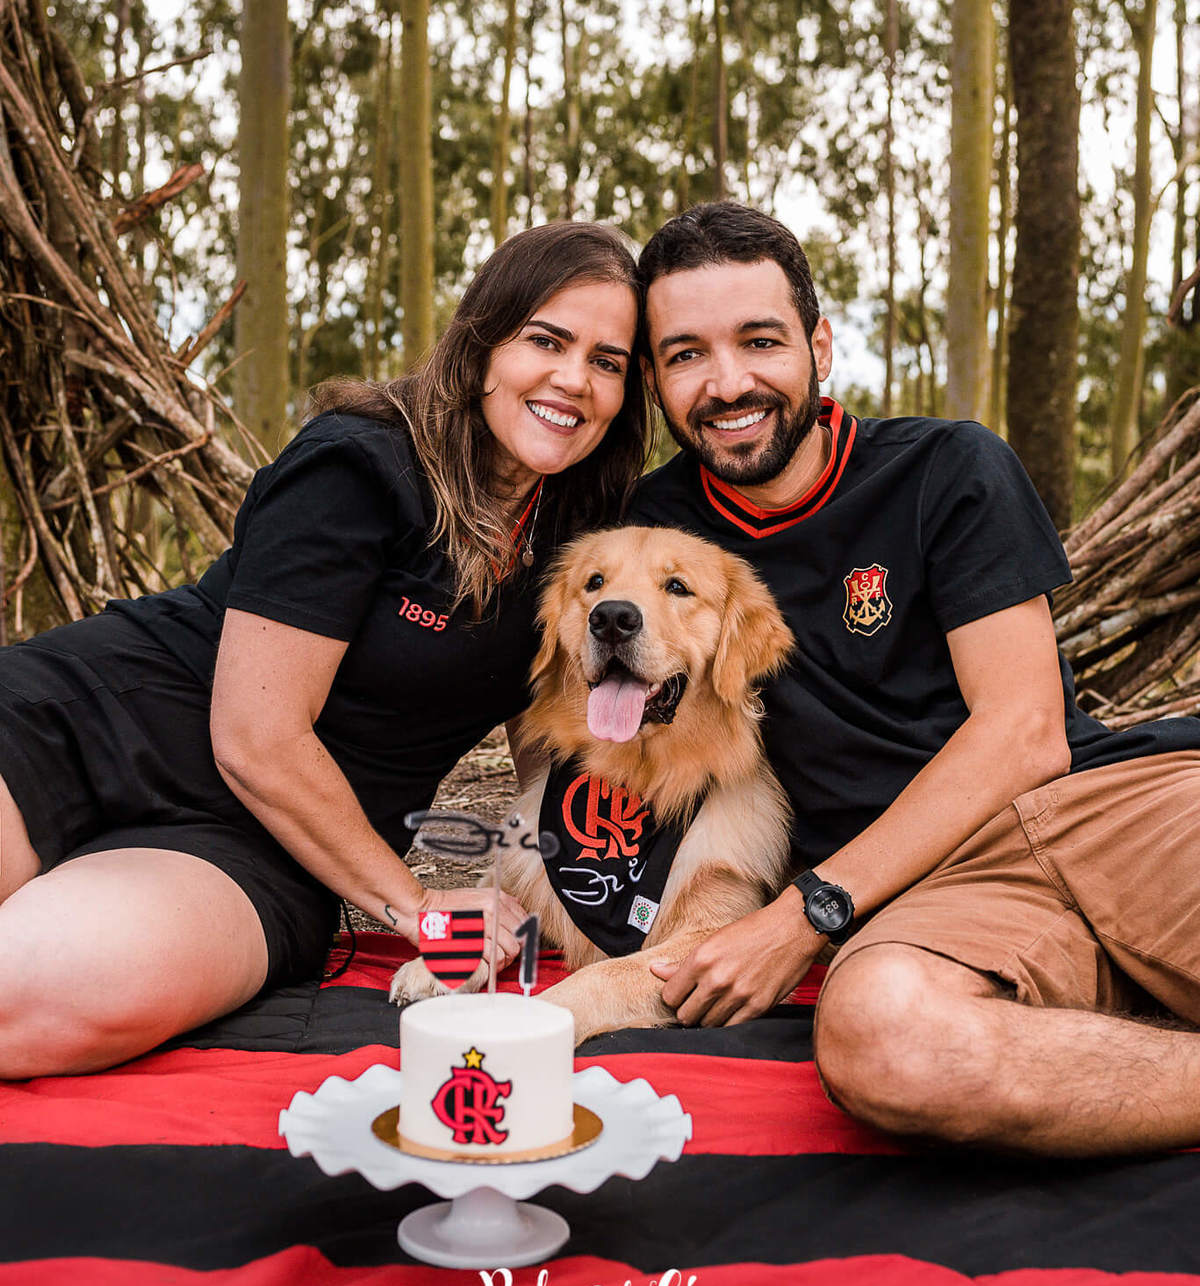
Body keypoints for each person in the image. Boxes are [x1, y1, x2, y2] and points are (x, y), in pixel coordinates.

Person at [0, 222, 645, 1078]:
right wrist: (419, 909)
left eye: (607, 360)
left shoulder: (584, 540)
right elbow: (257, 736)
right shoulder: (361, 461)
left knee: (26, 996)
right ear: (483, 342)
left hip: (266, 851)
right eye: (547, 340)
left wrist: (569, 892)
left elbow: (552, 749)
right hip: (79, 726)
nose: (573, 379)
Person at [631, 200, 1200, 1157]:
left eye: (760, 341)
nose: (728, 383)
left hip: (1098, 804)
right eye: (686, 354)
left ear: (818, 342)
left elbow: (1025, 731)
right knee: (884, 1040)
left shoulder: (946, 466)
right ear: (651, 378)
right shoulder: (648, 539)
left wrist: (807, 912)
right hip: (929, 896)